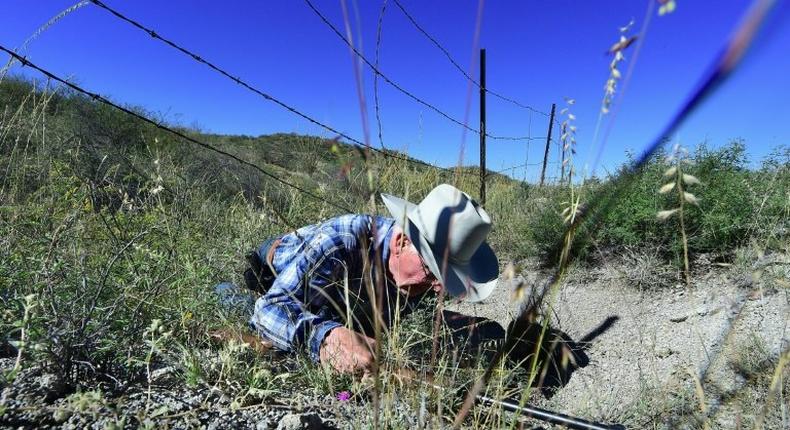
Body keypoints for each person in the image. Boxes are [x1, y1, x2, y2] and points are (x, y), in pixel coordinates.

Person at [243, 184, 500, 374]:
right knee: (236, 306)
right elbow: (269, 309)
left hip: (340, 297)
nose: (437, 287)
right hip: (274, 268)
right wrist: (324, 337)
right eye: (432, 270)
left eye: (446, 279)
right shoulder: (341, 243)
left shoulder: (418, 277)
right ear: (401, 243)